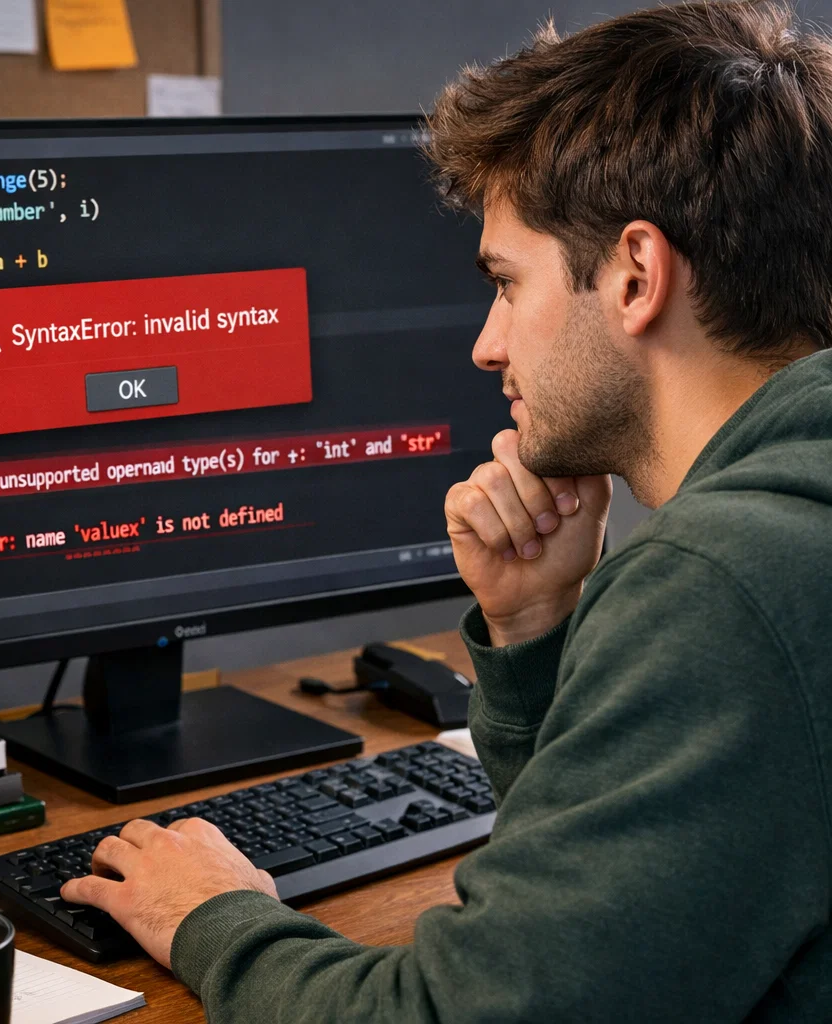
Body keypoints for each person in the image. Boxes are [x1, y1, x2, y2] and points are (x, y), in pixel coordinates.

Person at [61, 2, 832, 1019]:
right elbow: (600, 915)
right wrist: (532, 631)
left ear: (637, 274)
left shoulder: (722, 583)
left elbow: (456, 1014)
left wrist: (216, 914)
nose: (486, 344)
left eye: (507, 285)